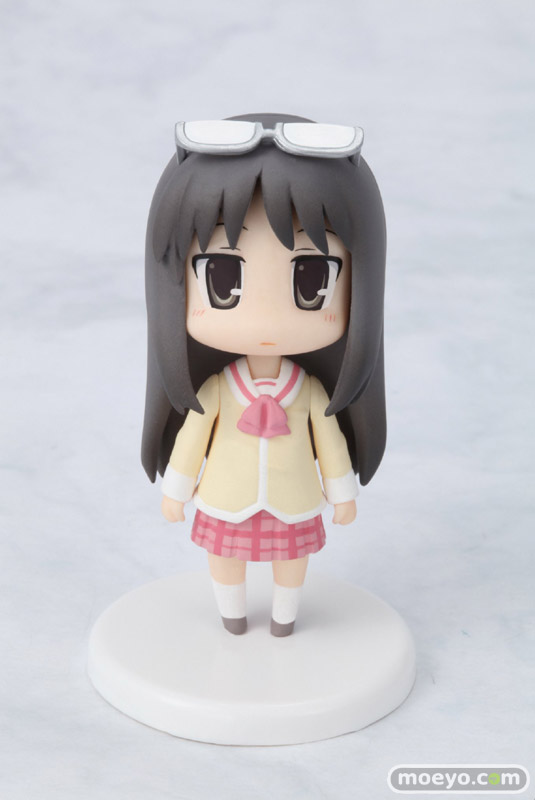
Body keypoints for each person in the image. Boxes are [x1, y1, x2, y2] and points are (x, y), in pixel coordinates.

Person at [142, 113, 387, 636]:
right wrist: (177, 488)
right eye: (220, 276)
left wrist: (342, 491)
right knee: (224, 558)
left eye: (313, 280)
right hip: (226, 498)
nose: (267, 322)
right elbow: (192, 438)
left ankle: (284, 616)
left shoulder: (310, 392)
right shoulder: (217, 389)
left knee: (291, 562)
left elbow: (330, 442)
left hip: (293, 500)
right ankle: (232, 612)